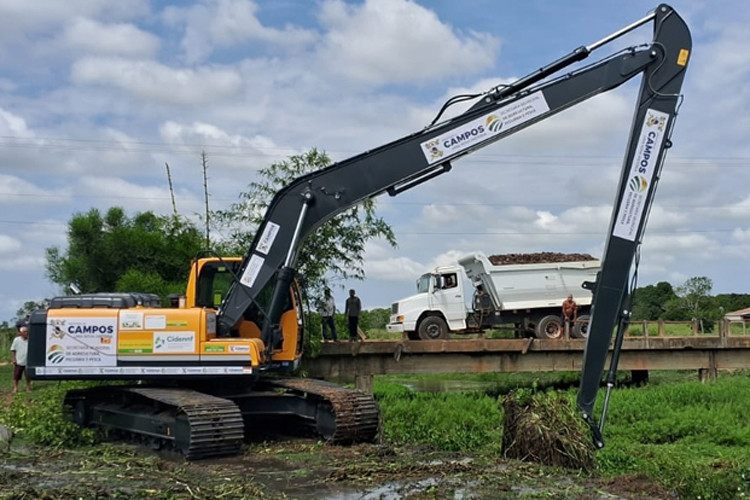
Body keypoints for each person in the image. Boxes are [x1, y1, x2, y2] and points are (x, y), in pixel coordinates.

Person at [10, 321, 31, 394]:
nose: (26, 333)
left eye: (27, 331)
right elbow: (13, 350)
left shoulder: (30, 340)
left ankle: (28, 387)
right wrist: (13, 359)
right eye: (25, 332)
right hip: (19, 361)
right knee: (16, 376)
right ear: (21, 332)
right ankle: (16, 388)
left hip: (27, 361)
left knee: (28, 376)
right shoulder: (17, 340)